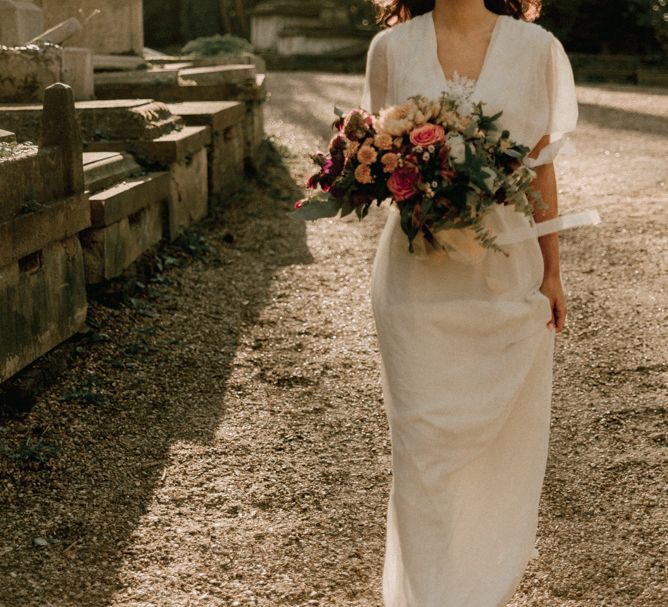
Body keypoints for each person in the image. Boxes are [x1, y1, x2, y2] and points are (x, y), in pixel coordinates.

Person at [361, 1, 578, 605]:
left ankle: (478, 588)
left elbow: (540, 170)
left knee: (500, 443)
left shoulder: (536, 49)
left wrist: (554, 271)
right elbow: (374, 157)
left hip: (506, 271)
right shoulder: (391, 50)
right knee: (421, 449)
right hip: (414, 281)